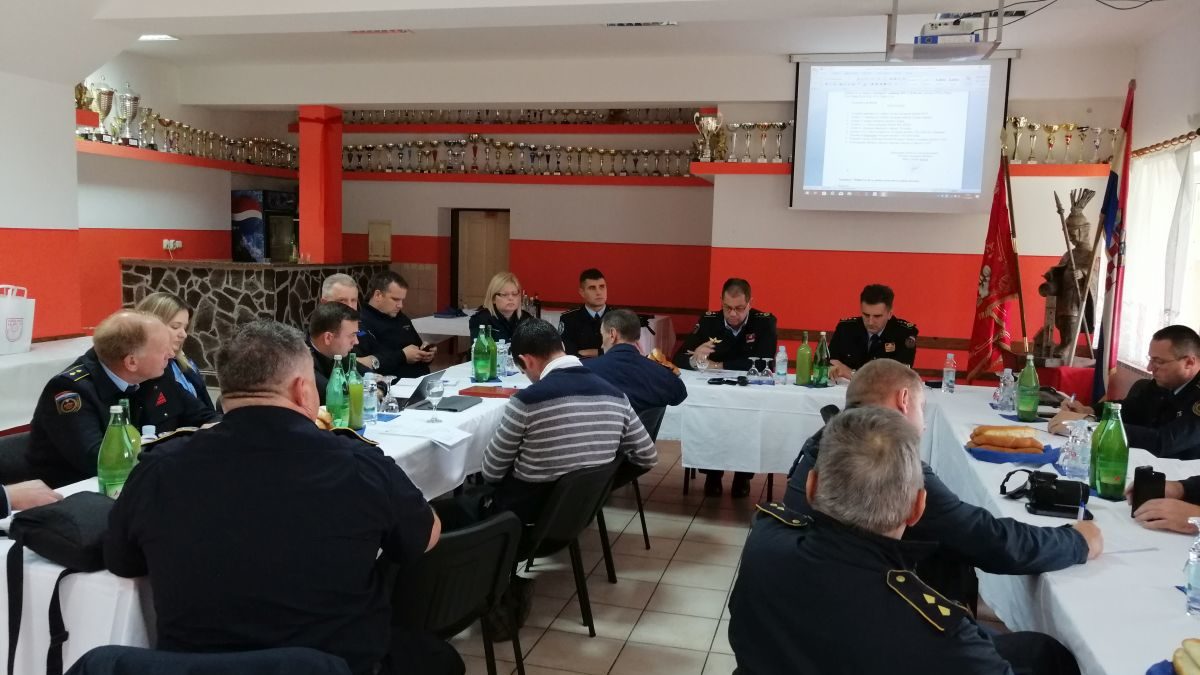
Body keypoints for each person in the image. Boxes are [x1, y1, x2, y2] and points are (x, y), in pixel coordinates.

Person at [104, 320, 455, 675]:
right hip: (336, 667)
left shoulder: (160, 468)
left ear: (225, 392)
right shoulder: (358, 464)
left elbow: (121, 560)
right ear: (303, 390)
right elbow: (423, 537)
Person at [729, 407, 1082, 675]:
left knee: (1037, 651)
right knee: (1047, 655)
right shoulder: (942, 635)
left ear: (810, 487)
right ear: (917, 508)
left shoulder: (763, 541)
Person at [784, 360, 1100, 595]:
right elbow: (988, 540)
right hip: (857, 598)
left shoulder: (825, 439)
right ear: (904, 400)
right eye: (921, 408)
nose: (922, 425)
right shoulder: (885, 463)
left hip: (810, 580)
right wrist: (1076, 542)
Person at [436, 319, 656, 528]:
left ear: (526, 361)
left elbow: (491, 473)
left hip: (525, 519)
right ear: (562, 347)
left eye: (523, 371)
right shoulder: (617, 396)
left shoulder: (527, 401)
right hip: (579, 514)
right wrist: (599, 485)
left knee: (439, 513)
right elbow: (647, 456)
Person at [26, 310, 218, 488]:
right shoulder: (72, 391)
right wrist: (185, 446)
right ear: (132, 362)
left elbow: (206, 416)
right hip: (76, 495)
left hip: (145, 481)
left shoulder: (156, 374)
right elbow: (100, 461)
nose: (171, 354)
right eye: (162, 349)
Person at [673, 278, 776, 498]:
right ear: (721, 302)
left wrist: (716, 365)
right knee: (711, 423)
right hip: (715, 395)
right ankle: (712, 474)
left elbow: (764, 363)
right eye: (727, 307)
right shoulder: (709, 321)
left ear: (750, 303)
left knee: (747, 426)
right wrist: (695, 359)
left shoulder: (764, 322)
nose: (732, 314)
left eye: (739, 308)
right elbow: (678, 357)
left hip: (748, 395)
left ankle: (742, 476)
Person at [1060, 325, 1200, 460]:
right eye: (1151, 359)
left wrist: (1093, 426)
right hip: (1148, 461)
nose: (1150, 368)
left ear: (1189, 362)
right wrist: (1090, 410)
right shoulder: (1167, 381)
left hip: (1182, 471)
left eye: (1159, 362)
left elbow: (1163, 442)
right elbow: (1133, 407)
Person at [585, 309, 686, 413]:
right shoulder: (659, 373)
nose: (602, 345)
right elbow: (679, 395)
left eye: (602, 336)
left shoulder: (585, 370)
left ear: (612, 334)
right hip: (645, 424)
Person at [135, 292, 215, 410]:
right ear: (150, 325)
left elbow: (203, 410)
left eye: (185, 328)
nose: (184, 335)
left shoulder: (185, 363)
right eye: (175, 327)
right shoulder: (145, 371)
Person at [828, 284, 919, 381]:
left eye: (877, 316)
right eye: (866, 315)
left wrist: (852, 374)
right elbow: (829, 361)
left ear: (889, 314)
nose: (870, 322)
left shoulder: (904, 333)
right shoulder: (846, 328)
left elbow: (900, 375)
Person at [356, 271, 434, 378]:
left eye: (402, 300)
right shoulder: (362, 323)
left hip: (422, 378)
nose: (400, 305)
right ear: (378, 295)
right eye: (395, 299)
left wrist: (426, 355)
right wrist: (403, 356)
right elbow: (362, 365)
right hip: (391, 383)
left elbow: (417, 347)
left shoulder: (401, 318)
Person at [307, 301, 363, 403]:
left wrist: (380, 388)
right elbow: (335, 396)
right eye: (352, 335)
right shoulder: (302, 361)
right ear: (328, 338)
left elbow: (371, 375)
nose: (356, 342)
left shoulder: (338, 352)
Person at [558, 268, 612, 358]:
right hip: (580, 366)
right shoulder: (568, 319)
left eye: (602, 286)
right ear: (582, 292)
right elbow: (568, 354)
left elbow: (623, 352)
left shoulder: (620, 318)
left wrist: (587, 352)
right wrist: (603, 352)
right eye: (592, 288)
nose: (598, 292)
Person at [469, 271, 534, 343]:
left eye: (514, 294)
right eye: (504, 294)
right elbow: (480, 348)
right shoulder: (481, 320)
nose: (511, 298)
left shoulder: (527, 319)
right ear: (493, 298)